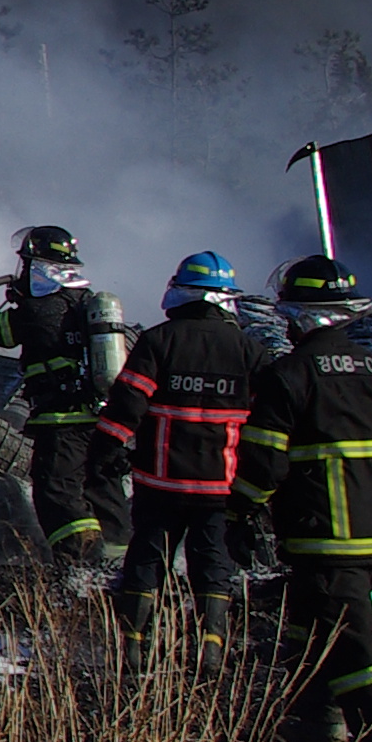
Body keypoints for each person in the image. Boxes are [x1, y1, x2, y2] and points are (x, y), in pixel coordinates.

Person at [233, 254, 372, 742]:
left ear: (301, 315)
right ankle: (318, 725)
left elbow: (265, 463)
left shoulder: (289, 376)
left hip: (323, 535)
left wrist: (239, 510)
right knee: (309, 626)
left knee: (360, 643)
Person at [97, 252, 267, 671]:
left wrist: (108, 447)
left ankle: (133, 648)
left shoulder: (159, 340)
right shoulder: (249, 350)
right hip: (220, 486)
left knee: (147, 558)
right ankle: (210, 647)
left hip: (161, 481)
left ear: (181, 291)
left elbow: (128, 400)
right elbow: (270, 419)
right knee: (213, 563)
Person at [0, 225, 131, 565]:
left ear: (38, 267)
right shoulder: (85, 303)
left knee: (56, 489)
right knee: (102, 487)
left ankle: (80, 562)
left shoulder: (40, 309)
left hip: (61, 421)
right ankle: (119, 564)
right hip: (100, 420)